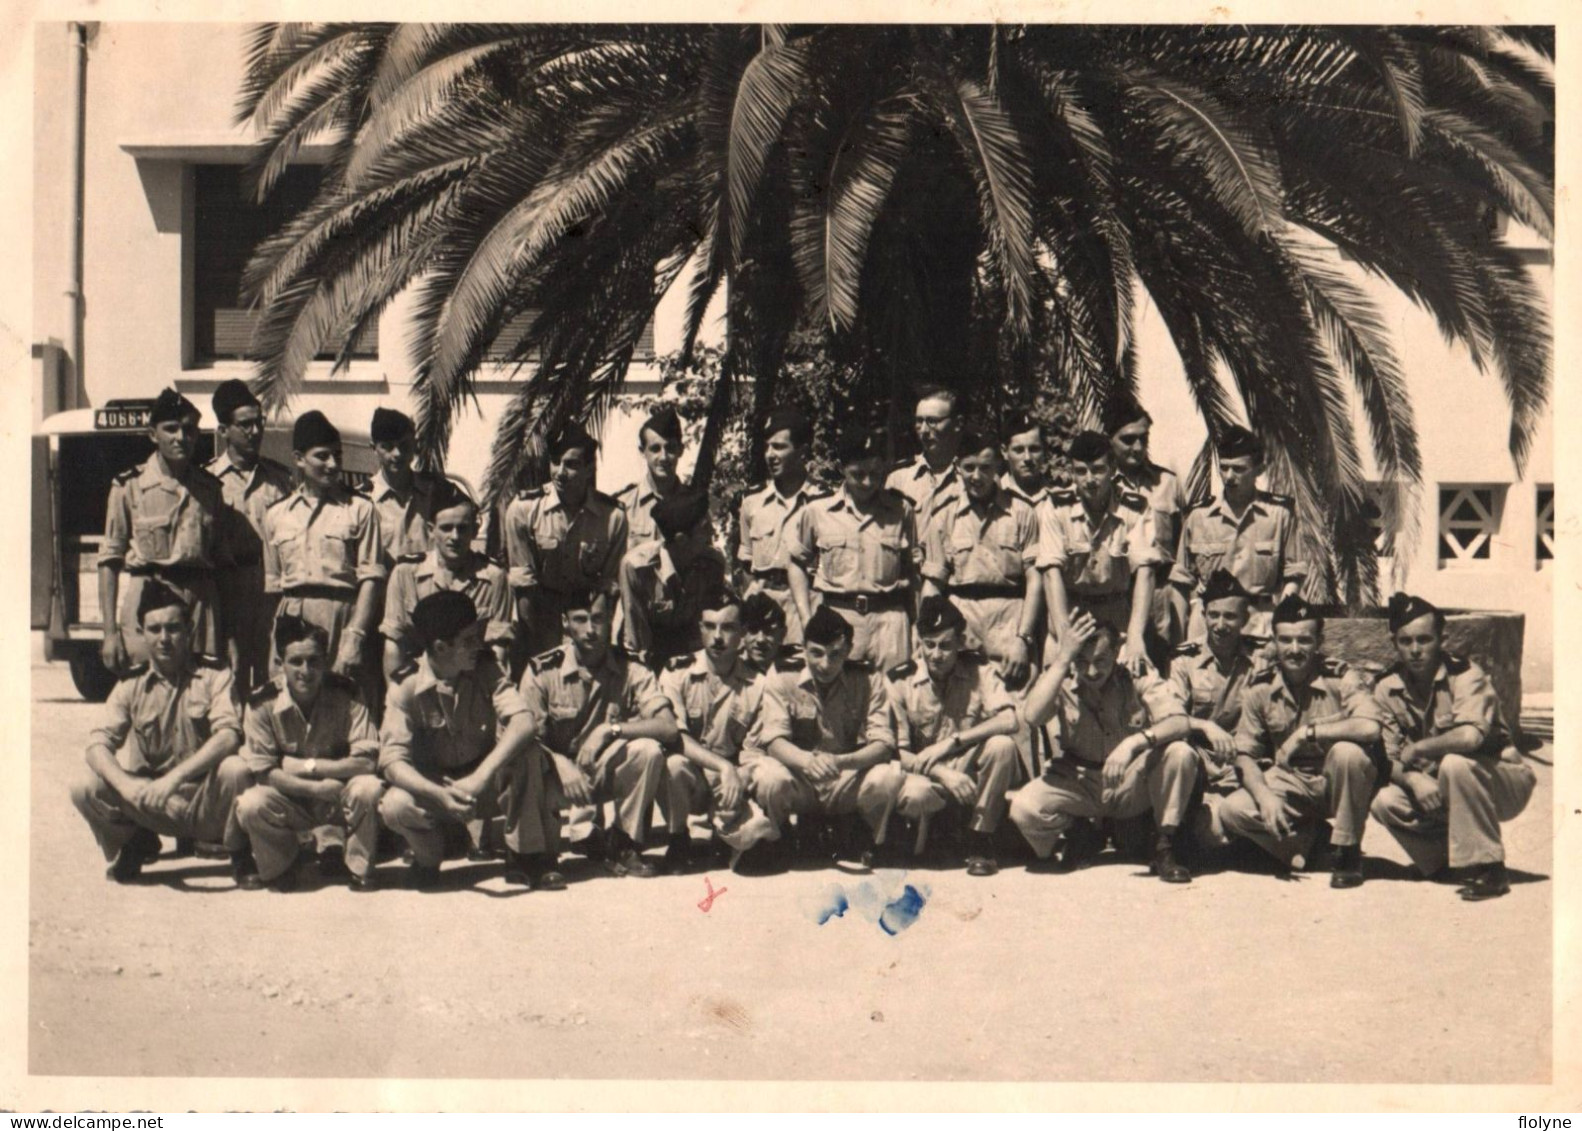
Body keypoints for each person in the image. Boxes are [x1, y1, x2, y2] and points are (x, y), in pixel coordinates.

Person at [70, 581, 254, 885]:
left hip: (204, 801)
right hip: (153, 800)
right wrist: (127, 787)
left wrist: (175, 779)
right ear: (142, 633)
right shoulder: (131, 684)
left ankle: (239, 851)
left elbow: (229, 736)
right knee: (83, 787)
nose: (164, 639)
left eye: (173, 628)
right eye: (154, 629)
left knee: (236, 769)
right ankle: (135, 842)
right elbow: (97, 745)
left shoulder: (214, 675)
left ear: (190, 630)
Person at [378, 591, 561, 890]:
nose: (479, 646)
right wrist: (438, 795)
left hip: (483, 783)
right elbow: (391, 761)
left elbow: (523, 721)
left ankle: (526, 856)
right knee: (395, 804)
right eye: (468, 640)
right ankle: (429, 858)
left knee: (527, 753)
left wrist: (479, 778)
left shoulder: (485, 667)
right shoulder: (405, 683)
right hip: (437, 786)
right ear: (440, 647)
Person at [1368, 593, 1535, 900]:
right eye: (1406, 641)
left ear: (1441, 640)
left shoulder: (1465, 675)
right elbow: (1387, 757)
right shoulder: (1386, 687)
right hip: (1444, 785)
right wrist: (1412, 779)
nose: (1415, 650)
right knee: (1384, 800)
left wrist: (1418, 750)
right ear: (1394, 644)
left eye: (1424, 639)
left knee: (1455, 763)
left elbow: (1471, 738)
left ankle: (1490, 868)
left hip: (1501, 781)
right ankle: (1443, 865)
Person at [1008, 613, 1197, 883]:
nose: (1092, 672)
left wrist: (1134, 743)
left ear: (1117, 651)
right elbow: (1032, 716)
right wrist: (1063, 659)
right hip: (1079, 779)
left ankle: (1166, 846)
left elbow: (1179, 721)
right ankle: (1080, 831)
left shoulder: (1135, 672)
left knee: (1180, 753)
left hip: (1129, 779)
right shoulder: (1061, 676)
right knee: (1024, 808)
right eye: (1082, 662)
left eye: (1101, 661)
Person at [1218, 594, 1383, 887]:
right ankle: (1314, 841)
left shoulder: (1341, 677)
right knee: (1233, 811)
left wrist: (1309, 733)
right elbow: (1245, 754)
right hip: (1292, 781)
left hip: (1338, 780)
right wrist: (1265, 797)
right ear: (1275, 641)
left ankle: (1348, 851)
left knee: (1348, 753)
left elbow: (1370, 727)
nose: (1294, 650)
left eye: (1304, 641)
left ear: (1319, 641)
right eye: (1285, 640)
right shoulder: (1261, 687)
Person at [518, 589, 678, 879]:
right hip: (555, 777)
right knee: (526, 761)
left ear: (610, 620)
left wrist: (610, 729)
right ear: (565, 623)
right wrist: (560, 764)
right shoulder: (542, 671)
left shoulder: (631, 668)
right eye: (580, 620)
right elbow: (524, 738)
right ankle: (537, 854)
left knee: (647, 750)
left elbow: (667, 726)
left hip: (602, 770)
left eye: (598, 619)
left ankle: (623, 843)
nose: (590, 630)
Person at [751, 605, 920, 868]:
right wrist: (808, 761)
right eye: (816, 654)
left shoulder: (867, 679)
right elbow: (774, 741)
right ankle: (779, 836)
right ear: (804, 648)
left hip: (845, 778)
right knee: (768, 776)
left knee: (887, 776)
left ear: (849, 649)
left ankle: (866, 835)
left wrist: (840, 762)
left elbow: (883, 745)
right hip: (802, 777)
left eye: (835, 654)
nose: (825, 664)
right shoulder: (783, 676)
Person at [234, 615, 384, 892]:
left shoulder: (347, 693)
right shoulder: (261, 703)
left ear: (325, 661)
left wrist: (309, 766)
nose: (306, 670)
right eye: (296, 662)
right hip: (292, 801)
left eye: (314, 661)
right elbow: (265, 773)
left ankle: (358, 866)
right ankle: (283, 862)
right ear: (280, 664)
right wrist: (316, 789)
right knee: (251, 803)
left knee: (369, 787)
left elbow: (367, 760)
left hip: (338, 795)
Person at [885, 597, 1021, 876]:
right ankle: (928, 833)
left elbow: (1010, 719)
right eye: (929, 645)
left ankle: (980, 839)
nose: (936, 654)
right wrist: (942, 773)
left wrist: (954, 741)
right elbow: (895, 751)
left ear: (960, 643)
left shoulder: (979, 670)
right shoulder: (900, 680)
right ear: (919, 642)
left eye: (946, 645)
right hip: (924, 773)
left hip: (964, 766)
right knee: (915, 795)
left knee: (1002, 746)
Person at [98, 387, 227, 674]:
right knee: (147, 696)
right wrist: (109, 633)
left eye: (189, 430)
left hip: (199, 605)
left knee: (201, 698)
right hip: (148, 602)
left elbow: (221, 563)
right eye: (171, 429)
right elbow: (109, 561)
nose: (181, 437)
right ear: (153, 434)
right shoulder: (128, 487)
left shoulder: (210, 490)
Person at [261, 411, 385, 699]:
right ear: (299, 459)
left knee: (347, 704)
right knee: (290, 705)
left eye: (337, 456)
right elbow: (273, 587)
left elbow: (371, 580)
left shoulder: (360, 509)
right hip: (292, 616)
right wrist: (275, 644)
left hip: (342, 617)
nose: (333, 464)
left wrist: (354, 637)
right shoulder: (277, 515)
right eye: (322, 456)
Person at [657, 589, 777, 873]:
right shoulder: (677, 672)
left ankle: (729, 832)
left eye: (728, 627)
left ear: (744, 633)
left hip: (734, 782)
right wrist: (723, 767)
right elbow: (677, 738)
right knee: (673, 764)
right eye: (710, 626)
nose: (718, 637)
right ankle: (678, 839)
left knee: (764, 780)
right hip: (694, 775)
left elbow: (754, 751)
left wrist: (736, 777)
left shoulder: (758, 683)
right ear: (700, 628)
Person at [786, 425, 921, 672]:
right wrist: (806, 619)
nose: (868, 482)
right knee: (841, 701)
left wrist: (915, 627)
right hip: (837, 621)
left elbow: (913, 574)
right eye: (858, 474)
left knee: (894, 702)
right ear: (841, 469)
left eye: (875, 473)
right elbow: (796, 563)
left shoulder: (902, 510)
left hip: (890, 624)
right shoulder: (817, 511)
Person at [921, 429, 1042, 692]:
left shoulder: (1021, 512)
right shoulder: (944, 516)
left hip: (1009, 626)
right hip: (962, 630)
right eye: (969, 468)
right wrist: (928, 637)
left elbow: (1034, 580)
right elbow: (933, 584)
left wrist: (1023, 639)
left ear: (998, 465)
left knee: (1014, 715)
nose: (977, 477)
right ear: (957, 468)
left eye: (986, 468)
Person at [1156, 570, 1266, 851]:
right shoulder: (1184, 660)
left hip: (1248, 767)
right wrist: (1205, 726)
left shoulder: (1262, 660)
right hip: (1201, 771)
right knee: (1212, 834)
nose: (1220, 624)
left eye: (1230, 617)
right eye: (1213, 615)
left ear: (1245, 619)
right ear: (1203, 615)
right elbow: (1173, 716)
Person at [1036, 430, 1160, 675]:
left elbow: (1145, 571)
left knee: (1135, 688)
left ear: (1113, 469)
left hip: (1117, 619)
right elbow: (1051, 574)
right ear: (1072, 472)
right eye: (1081, 471)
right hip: (1070, 616)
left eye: (1097, 470)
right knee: (1057, 696)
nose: (1089, 479)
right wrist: (1064, 638)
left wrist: (1135, 636)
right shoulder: (1056, 507)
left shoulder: (1134, 509)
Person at [503, 423, 628, 663]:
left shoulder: (612, 517)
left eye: (571, 464)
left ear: (590, 468)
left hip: (587, 615)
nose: (560, 472)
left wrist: (592, 639)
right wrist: (535, 650)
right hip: (540, 614)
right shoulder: (523, 509)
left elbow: (608, 586)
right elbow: (524, 584)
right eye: (556, 461)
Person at [1171, 425, 1306, 642]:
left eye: (1239, 469)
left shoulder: (1279, 515)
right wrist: (1179, 639)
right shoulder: (1199, 517)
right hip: (1211, 624)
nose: (1229, 476)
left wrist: (1280, 618)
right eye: (1224, 468)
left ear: (1259, 470)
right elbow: (1181, 581)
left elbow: (1294, 574)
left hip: (1259, 623)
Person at [205, 379, 294, 698]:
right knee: (231, 673)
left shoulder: (281, 480)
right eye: (245, 425)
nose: (255, 431)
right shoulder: (209, 481)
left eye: (259, 422)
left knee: (272, 671)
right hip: (228, 589)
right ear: (223, 431)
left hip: (271, 590)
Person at [382, 481, 513, 680]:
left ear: (475, 531)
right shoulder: (405, 573)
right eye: (446, 528)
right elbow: (394, 643)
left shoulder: (494, 577)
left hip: (472, 681)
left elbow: (498, 647)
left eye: (462, 528)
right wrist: (397, 700)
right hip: (420, 680)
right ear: (430, 530)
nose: (455, 536)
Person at [1106, 401, 1192, 650]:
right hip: (1116, 596)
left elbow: (1181, 556)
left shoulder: (1167, 483)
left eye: (1144, 439)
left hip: (1159, 598)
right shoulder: (1100, 486)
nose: (1138, 447)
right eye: (1128, 440)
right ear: (1109, 439)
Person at [618, 489, 730, 671]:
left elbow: (708, 630)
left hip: (693, 658)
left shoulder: (712, 564)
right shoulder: (637, 568)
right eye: (704, 527)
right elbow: (637, 642)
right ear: (681, 539)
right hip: (649, 659)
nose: (712, 532)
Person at [735, 407, 818, 646]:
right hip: (762, 609)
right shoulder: (752, 502)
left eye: (780, 447)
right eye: (767, 446)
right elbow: (746, 562)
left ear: (802, 451)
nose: (770, 454)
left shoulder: (822, 502)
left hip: (804, 606)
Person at [363, 407, 441, 568]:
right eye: (388, 446)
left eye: (404, 445)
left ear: (415, 446)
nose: (397, 453)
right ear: (374, 449)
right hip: (385, 590)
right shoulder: (363, 499)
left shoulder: (437, 492)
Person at [886, 386, 965, 521]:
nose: (923, 430)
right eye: (919, 421)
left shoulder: (973, 476)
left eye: (932, 421)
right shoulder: (898, 480)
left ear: (957, 423)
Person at [614, 407, 686, 549]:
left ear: (680, 450)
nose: (664, 457)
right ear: (643, 452)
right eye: (655, 449)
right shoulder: (623, 507)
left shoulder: (694, 505)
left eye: (670, 448)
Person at [999, 411, 1054, 509]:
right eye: (1019, 450)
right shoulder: (995, 495)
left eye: (1034, 449)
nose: (1027, 458)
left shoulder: (1056, 497)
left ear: (1044, 451)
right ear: (1004, 452)